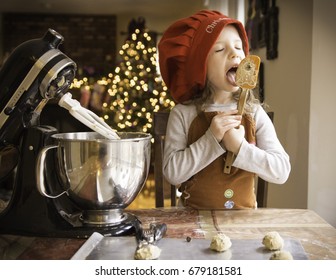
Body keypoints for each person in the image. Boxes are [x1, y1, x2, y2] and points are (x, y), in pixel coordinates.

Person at [158, 10, 290, 209]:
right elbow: (172, 173)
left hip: (243, 223)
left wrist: (240, 148)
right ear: (200, 65)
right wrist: (211, 138)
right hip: (191, 220)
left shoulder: (253, 113)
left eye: (239, 47)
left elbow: (281, 171)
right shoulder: (183, 113)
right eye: (219, 49)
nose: (234, 53)